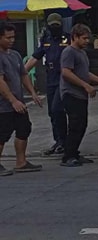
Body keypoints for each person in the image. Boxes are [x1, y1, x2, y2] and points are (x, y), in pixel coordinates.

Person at [59, 24, 98, 168]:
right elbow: (66, 73)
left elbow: (84, 72)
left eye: (88, 38)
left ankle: (74, 152)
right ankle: (68, 156)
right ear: (74, 37)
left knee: (82, 125)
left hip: (81, 95)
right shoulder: (69, 52)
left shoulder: (82, 53)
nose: (86, 41)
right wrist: (85, 85)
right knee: (75, 125)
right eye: (83, 38)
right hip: (71, 94)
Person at [0, 21, 43, 175]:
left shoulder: (15, 55)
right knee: (2, 133)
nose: (11, 40)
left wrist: (32, 92)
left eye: (13, 37)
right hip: (4, 104)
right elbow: (1, 81)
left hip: (19, 101)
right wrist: (13, 100)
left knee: (24, 129)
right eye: (7, 38)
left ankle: (21, 162)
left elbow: (23, 75)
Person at [24, 12, 69, 156]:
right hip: (51, 80)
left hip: (64, 80)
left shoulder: (68, 38)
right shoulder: (46, 40)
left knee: (58, 110)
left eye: (57, 25)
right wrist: (21, 72)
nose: (55, 27)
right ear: (48, 26)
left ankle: (63, 141)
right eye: (52, 25)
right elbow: (35, 57)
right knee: (52, 113)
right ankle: (58, 141)